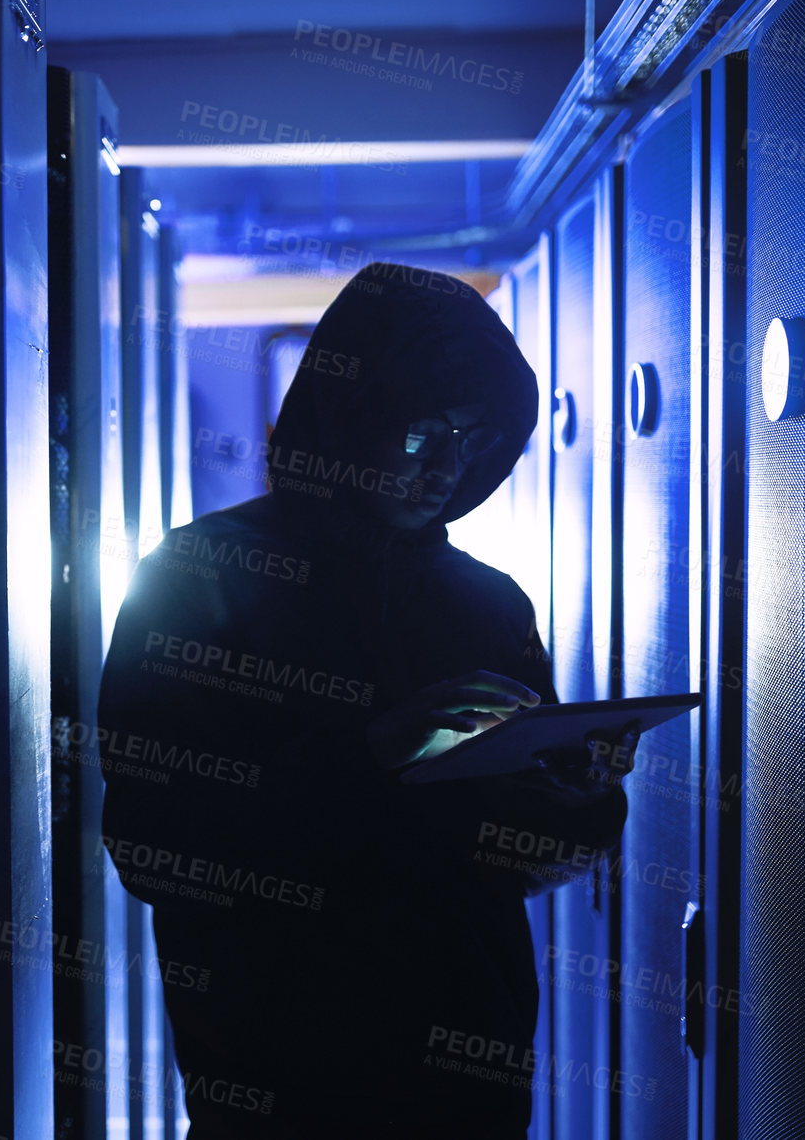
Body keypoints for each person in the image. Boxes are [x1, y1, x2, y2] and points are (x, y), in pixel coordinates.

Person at [96, 262, 637, 1137]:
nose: (446, 468)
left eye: (473, 436)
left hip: (471, 1083)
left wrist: (579, 799)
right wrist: (371, 757)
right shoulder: (199, 579)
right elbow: (153, 847)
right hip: (277, 1083)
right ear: (349, 416)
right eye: (422, 433)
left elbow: (520, 857)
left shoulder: (490, 603)